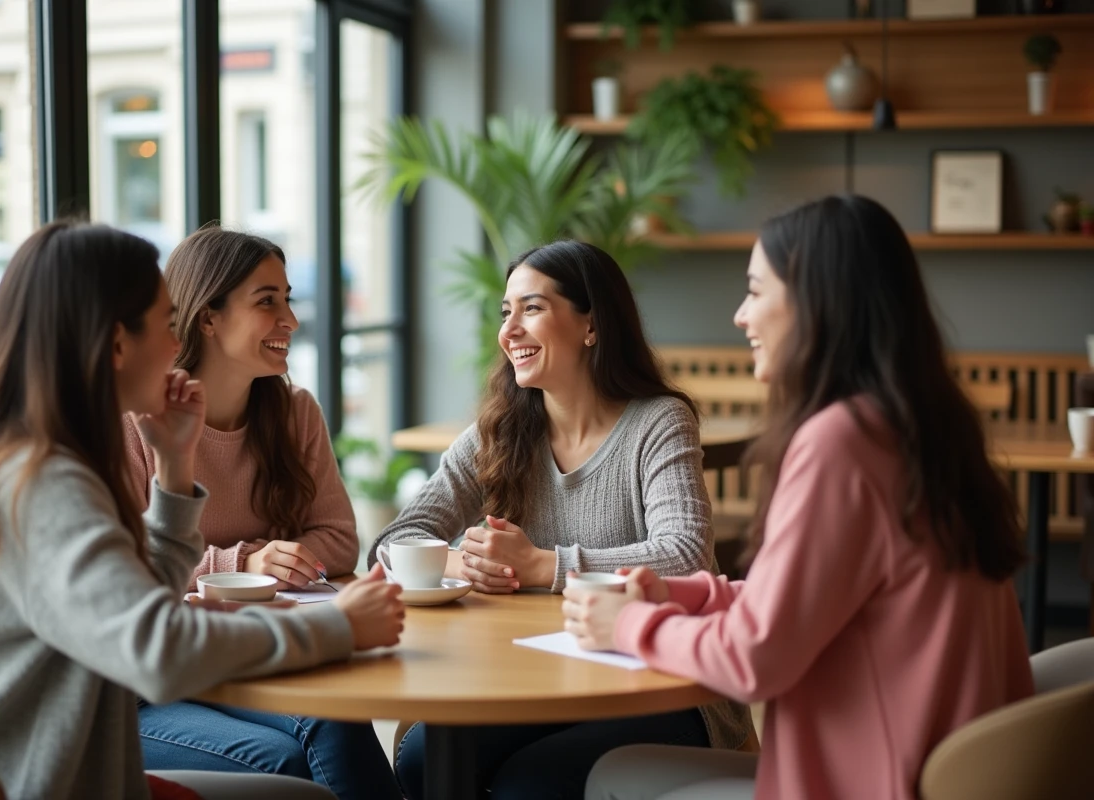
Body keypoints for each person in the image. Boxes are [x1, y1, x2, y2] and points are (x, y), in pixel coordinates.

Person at [0, 221, 404, 800]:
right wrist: (336, 626)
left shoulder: (31, 459)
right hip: (41, 785)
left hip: (61, 770)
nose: (176, 343)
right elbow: (157, 650)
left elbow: (133, 601)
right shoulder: (45, 486)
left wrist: (174, 469)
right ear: (117, 345)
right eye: (166, 323)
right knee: (294, 781)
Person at [568, 195, 1034, 800]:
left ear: (818, 301)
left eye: (755, 291)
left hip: (871, 781)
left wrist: (630, 624)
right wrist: (681, 594)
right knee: (620, 767)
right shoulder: (924, 426)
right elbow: (809, 600)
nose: (740, 316)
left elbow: (754, 658)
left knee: (609, 776)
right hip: (936, 767)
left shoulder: (841, 442)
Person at [371, 239, 754, 800]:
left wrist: (540, 565)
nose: (510, 330)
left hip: (659, 683)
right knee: (422, 762)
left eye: (532, 308)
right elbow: (392, 540)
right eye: (506, 312)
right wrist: (467, 563)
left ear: (591, 325)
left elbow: (685, 554)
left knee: (527, 785)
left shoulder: (658, 421)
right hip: (532, 677)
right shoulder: (499, 431)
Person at [124, 225, 402, 800]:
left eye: (288, 300)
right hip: (147, 684)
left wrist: (284, 563)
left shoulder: (294, 412)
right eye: (267, 302)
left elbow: (338, 537)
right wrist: (246, 563)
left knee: (333, 716)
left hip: (244, 649)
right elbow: (130, 573)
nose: (291, 320)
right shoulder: (137, 425)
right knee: (282, 758)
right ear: (208, 317)